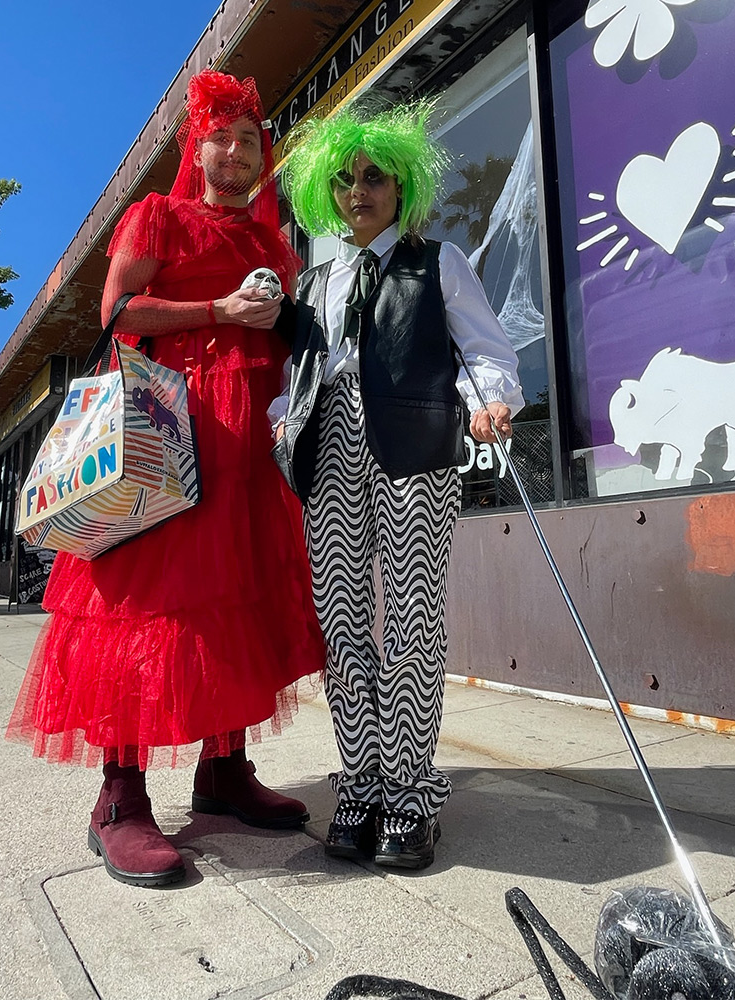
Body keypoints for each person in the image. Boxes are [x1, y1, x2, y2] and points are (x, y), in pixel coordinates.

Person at [7, 70, 325, 887]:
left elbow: (286, 337)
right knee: (143, 607)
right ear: (197, 146)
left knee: (229, 605)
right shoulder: (159, 215)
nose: (236, 150)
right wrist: (218, 312)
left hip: (247, 450)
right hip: (164, 438)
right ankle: (120, 796)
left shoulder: (268, 242)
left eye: (249, 139)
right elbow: (117, 313)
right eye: (221, 135)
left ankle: (222, 773)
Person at [271, 97, 524, 870]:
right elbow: (298, 377)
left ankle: (411, 794)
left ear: (402, 185)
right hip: (333, 445)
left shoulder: (438, 261)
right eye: (345, 179)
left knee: (413, 621)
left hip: (415, 443)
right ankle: (360, 784)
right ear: (327, 191)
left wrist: (491, 403)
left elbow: (488, 351)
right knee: (343, 627)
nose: (359, 191)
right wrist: (283, 422)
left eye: (375, 176)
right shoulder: (312, 283)